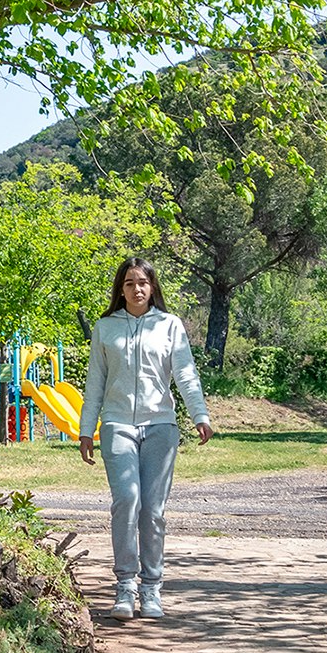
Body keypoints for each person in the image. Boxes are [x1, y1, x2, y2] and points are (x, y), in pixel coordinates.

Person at [77, 258, 216, 622]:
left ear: (152, 287)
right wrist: (86, 429)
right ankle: (126, 586)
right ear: (120, 290)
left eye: (142, 282)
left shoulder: (170, 325)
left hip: (160, 426)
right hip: (117, 424)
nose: (136, 289)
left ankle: (152, 587)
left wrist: (200, 415)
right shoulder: (106, 327)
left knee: (152, 510)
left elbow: (185, 374)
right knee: (126, 501)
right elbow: (95, 382)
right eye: (129, 283)